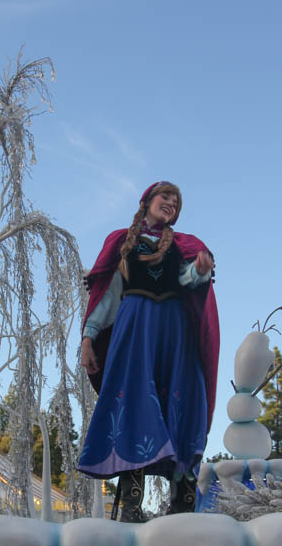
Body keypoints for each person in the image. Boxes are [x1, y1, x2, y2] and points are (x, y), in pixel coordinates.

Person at [77, 181, 219, 522]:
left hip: (174, 330)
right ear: (147, 202)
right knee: (136, 400)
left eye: (176, 201)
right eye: (165, 197)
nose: (170, 203)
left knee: (185, 397)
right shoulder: (122, 241)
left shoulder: (184, 245)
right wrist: (88, 338)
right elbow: (108, 294)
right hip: (134, 324)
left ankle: (182, 502)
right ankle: (131, 505)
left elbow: (186, 280)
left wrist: (198, 271)